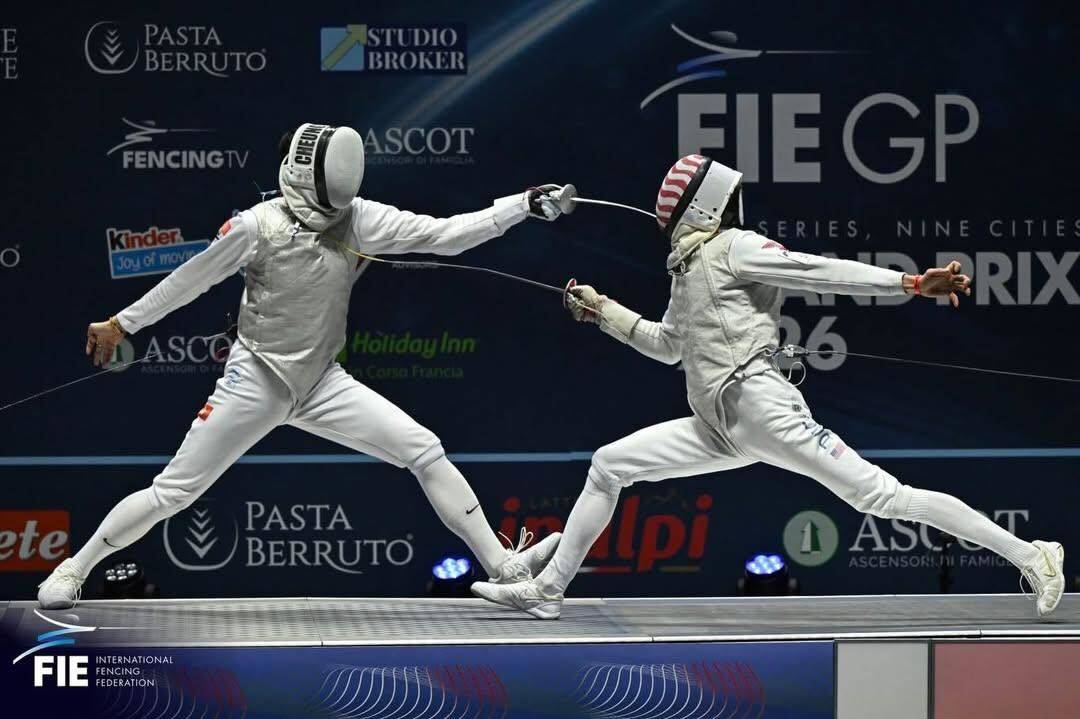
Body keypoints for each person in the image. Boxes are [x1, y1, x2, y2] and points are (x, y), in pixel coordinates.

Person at [471, 153, 1065, 619]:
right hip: (718, 426)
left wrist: (907, 283)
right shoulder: (689, 269)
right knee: (609, 465)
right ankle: (547, 591)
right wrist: (603, 310)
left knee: (881, 498)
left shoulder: (737, 247)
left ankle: (1032, 554)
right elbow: (668, 344)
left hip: (764, 410)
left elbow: (816, 271)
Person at [38, 123, 568, 608]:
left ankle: (504, 569)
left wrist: (521, 205)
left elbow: (446, 235)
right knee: (173, 492)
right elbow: (190, 279)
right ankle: (73, 569)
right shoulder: (256, 225)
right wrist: (123, 322)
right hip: (256, 379)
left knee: (423, 450)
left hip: (321, 382)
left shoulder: (357, 215)